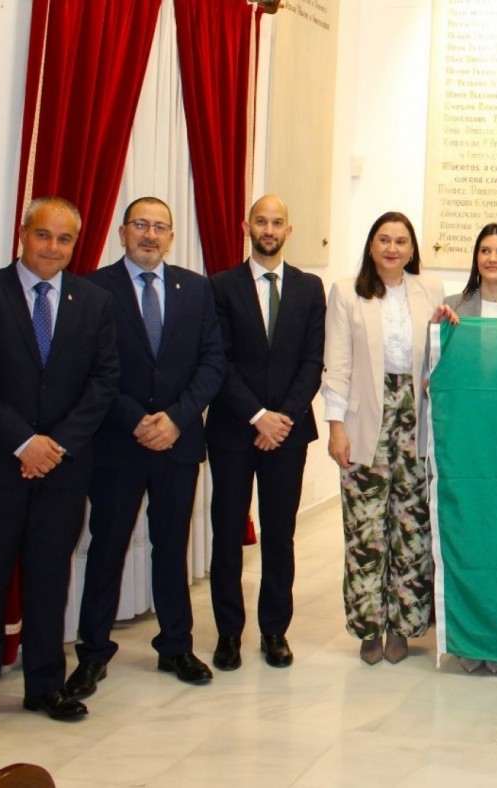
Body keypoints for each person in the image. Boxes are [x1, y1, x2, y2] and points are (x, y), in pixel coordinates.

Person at [0, 197, 119, 744]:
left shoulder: (93, 302)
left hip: (64, 469)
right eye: (43, 235)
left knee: (50, 578)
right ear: (23, 234)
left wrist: (56, 446)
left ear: (76, 243)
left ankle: (45, 684)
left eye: (64, 239)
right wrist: (23, 442)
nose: (53, 248)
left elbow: (102, 382)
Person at [66, 197, 226, 699]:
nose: (150, 235)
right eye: (141, 225)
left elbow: (213, 363)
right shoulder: (93, 288)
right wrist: (136, 420)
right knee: (107, 546)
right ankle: (92, 653)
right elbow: (89, 370)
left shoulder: (196, 290)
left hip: (178, 443)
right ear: (122, 232)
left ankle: (175, 644)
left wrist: (177, 419)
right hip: (118, 443)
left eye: (160, 227)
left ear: (172, 237)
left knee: (170, 545)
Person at [204, 195, 325, 671]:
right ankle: (228, 634)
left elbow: (313, 360)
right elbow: (219, 359)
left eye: (277, 222)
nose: (269, 229)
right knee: (227, 532)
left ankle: (275, 630)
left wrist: (282, 419)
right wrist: (257, 416)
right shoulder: (220, 286)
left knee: (280, 534)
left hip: (289, 435)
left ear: (288, 230)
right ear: (246, 226)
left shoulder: (309, 288)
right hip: (234, 431)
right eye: (261, 221)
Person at [324, 211, 445, 665]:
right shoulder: (346, 292)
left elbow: (437, 349)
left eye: (401, 241)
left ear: (412, 249)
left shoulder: (428, 290)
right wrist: (336, 427)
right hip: (364, 423)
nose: (392, 248)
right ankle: (370, 628)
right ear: (371, 246)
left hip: (415, 419)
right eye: (383, 240)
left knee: (411, 527)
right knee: (366, 531)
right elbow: (337, 364)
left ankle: (404, 626)